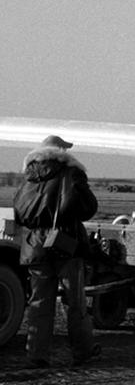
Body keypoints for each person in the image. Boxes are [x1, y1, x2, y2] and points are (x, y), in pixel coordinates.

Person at [12, 134, 100, 367]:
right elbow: (88, 208)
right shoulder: (72, 173)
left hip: (34, 247)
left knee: (39, 302)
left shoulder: (28, 177)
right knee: (75, 302)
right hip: (66, 243)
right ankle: (82, 351)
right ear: (61, 151)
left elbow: (20, 212)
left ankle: (36, 354)